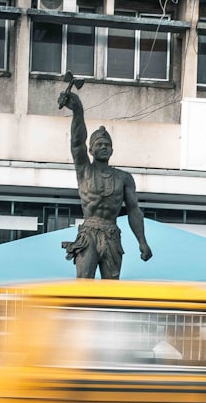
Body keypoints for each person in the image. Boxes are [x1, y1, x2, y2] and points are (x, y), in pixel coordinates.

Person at [58, 90, 152, 279]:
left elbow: (134, 210)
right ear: (91, 149)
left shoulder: (124, 178)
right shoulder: (85, 170)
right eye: (99, 144)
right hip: (89, 233)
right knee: (84, 282)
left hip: (112, 233)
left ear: (112, 150)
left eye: (107, 144)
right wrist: (78, 111)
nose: (103, 147)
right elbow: (77, 143)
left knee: (111, 286)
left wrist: (142, 241)